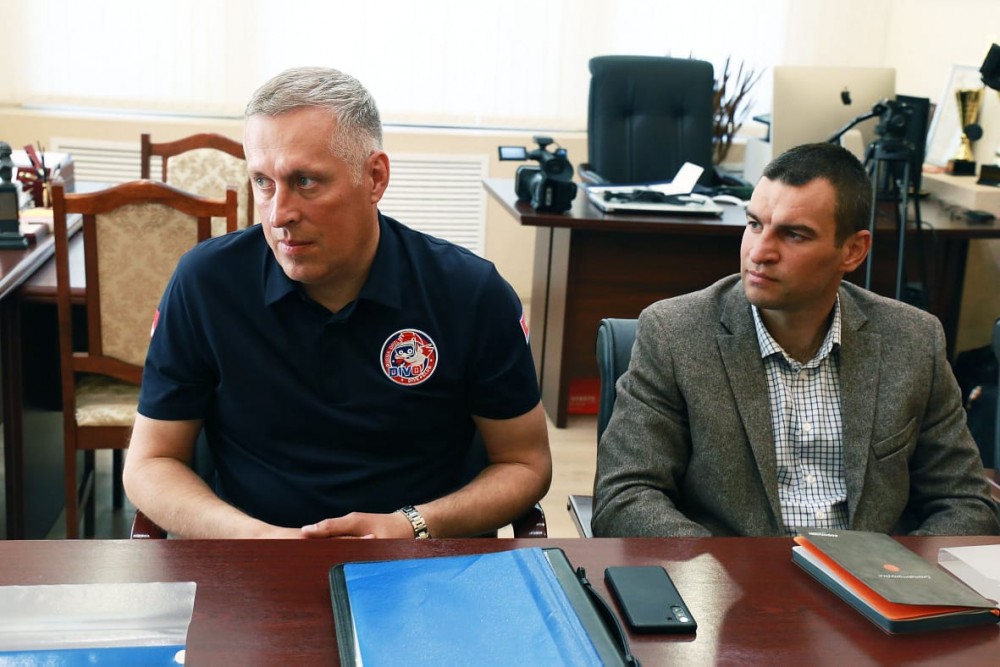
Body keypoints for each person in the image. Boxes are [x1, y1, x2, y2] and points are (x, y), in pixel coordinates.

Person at [123, 66, 551, 539]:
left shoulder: (471, 294)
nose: (279, 214)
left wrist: (412, 526)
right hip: (252, 557)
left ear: (375, 178)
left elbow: (525, 463)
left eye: (306, 181)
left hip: (420, 560)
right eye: (263, 181)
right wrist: (258, 539)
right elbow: (151, 462)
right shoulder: (206, 284)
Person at [592, 142, 1000, 537]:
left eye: (793, 235)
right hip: (730, 574)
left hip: (875, 576)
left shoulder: (913, 340)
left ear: (853, 251)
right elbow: (626, 495)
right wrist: (711, 571)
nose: (759, 252)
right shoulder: (674, 333)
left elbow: (965, 500)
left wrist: (904, 573)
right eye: (755, 224)